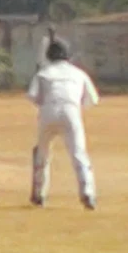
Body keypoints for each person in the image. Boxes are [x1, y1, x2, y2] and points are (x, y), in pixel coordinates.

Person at [27, 37, 99, 211]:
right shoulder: (79, 73)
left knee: (42, 154)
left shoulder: (43, 73)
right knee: (78, 153)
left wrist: (46, 104)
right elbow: (92, 99)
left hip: (47, 112)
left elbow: (33, 96)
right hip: (71, 112)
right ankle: (87, 193)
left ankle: (39, 194)